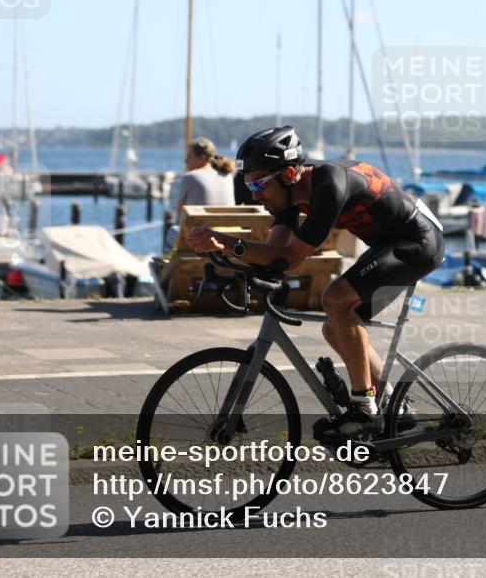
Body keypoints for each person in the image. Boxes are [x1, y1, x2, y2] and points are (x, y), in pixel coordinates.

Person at [187, 126, 445, 441]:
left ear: (289, 174)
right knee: (335, 328)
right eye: (249, 184)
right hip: (387, 245)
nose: (254, 194)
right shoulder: (287, 194)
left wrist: (228, 242)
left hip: (418, 242)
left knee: (336, 299)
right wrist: (225, 260)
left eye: (259, 184)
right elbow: (274, 253)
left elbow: (291, 257)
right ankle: (394, 406)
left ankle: (364, 409)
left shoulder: (328, 185)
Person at [163, 138, 235, 252]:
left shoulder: (190, 177)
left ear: (202, 158)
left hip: (201, 240)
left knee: (172, 231)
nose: (186, 160)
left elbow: (180, 214)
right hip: (228, 236)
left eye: (189, 156)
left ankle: (166, 261)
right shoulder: (227, 176)